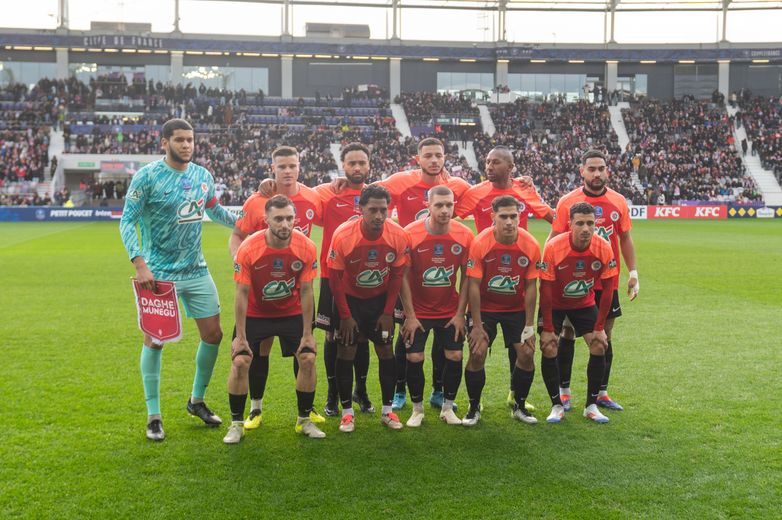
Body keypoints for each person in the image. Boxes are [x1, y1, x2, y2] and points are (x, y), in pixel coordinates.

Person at [119, 118, 237, 441]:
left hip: (196, 270)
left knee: (214, 334)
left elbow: (216, 211)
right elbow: (127, 222)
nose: (187, 145)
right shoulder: (147, 177)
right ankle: (153, 415)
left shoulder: (203, 176)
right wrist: (141, 264)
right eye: (180, 140)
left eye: (190, 140)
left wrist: (251, 221)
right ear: (165, 143)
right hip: (159, 274)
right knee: (155, 340)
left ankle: (196, 401)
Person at [256, 143, 375, 417]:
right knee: (334, 336)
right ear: (342, 165)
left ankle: (361, 390)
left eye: (361, 163)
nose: (356, 167)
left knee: (364, 337)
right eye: (351, 163)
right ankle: (333, 396)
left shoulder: (377, 195)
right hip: (333, 276)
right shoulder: (328, 192)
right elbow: (298, 192)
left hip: (369, 281)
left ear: (369, 165)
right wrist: (268, 182)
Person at [229, 146, 325, 429]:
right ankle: (255, 408)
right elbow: (237, 235)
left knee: (304, 351)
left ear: (299, 167)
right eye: (281, 166)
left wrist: (343, 182)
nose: (287, 170)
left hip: (296, 288)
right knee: (259, 351)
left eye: (292, 165)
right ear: (272, 168)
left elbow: (341, 198)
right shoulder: (257, 201)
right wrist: (241, 265)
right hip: (260, 288)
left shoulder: (313, 197)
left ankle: (307, 411)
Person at [456, 146, 553, 411]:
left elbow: (552, 217)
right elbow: (450, 217)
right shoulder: (475, 192)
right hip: (486, 269)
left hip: (519, 276)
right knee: (477, 349)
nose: (488, 165)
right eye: (487, 161)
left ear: (510, 167)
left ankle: (515, 396)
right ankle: (473, 405)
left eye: (495, 162)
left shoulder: (524, 188)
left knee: (521, 348)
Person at [548, 149, 638, 413]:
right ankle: (564, 392)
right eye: (592, 169)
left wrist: (633, 272)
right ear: (582, 171)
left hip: (606, 280)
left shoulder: (619, 201)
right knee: (567, 332)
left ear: (607, 170)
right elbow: (553, 239)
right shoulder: (567, 202)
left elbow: (625, 238)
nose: (596, 173)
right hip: (573, 281)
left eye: (601, 168)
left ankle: (601, 393)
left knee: (604, 336)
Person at [327, 185, 409, 432]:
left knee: (385, 350)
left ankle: (387, 411)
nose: (379, 216)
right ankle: (347, 413)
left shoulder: (397, 235)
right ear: (360, 209)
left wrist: (387, 312)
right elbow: (334, 280)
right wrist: (345, 316)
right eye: (372, 210)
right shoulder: (343, 235)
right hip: (350, 300)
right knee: (346, 351)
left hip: (379, 302)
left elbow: (396, 276)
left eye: (383, 210)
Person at [462, 195, 541, 426]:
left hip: (515, 309)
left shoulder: (531, 244)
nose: (509, 222)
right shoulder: (481, 243)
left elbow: (530, 287)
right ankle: (474, 406)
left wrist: (529, 325)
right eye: (503, 216)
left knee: (526, 353)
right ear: (493, 217)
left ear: (520, 217)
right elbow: (473, 286)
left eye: (513, 216)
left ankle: (519, 404)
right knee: (477, 352)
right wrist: (476, 326)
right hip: (484, 309)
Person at [398, 186, 474, 427]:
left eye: (449, 205)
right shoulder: (410, 233)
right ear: (427, 205)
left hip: (448, 310)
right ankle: (417, 410)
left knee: (455, 354)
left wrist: (460, 313)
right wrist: (409, 315)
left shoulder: (464, 235)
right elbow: (402, 277)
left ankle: (447, 408)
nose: (444, 210)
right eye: (439, 205)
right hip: (418, 311)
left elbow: (467, 277)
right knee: (414, 358)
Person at [538, 202, 619, 424]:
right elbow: (544, 289)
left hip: (583, 303)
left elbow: (609, 287)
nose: (586, 228)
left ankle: (591, 406)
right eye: (580, 223)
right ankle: (557, 405)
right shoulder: (554, 247)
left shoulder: (603, 247)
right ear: (570, 224)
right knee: (549, 345)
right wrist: (546, 328)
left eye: (590, 223)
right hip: (554, 303)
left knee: (600, 344)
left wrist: (600, 327)